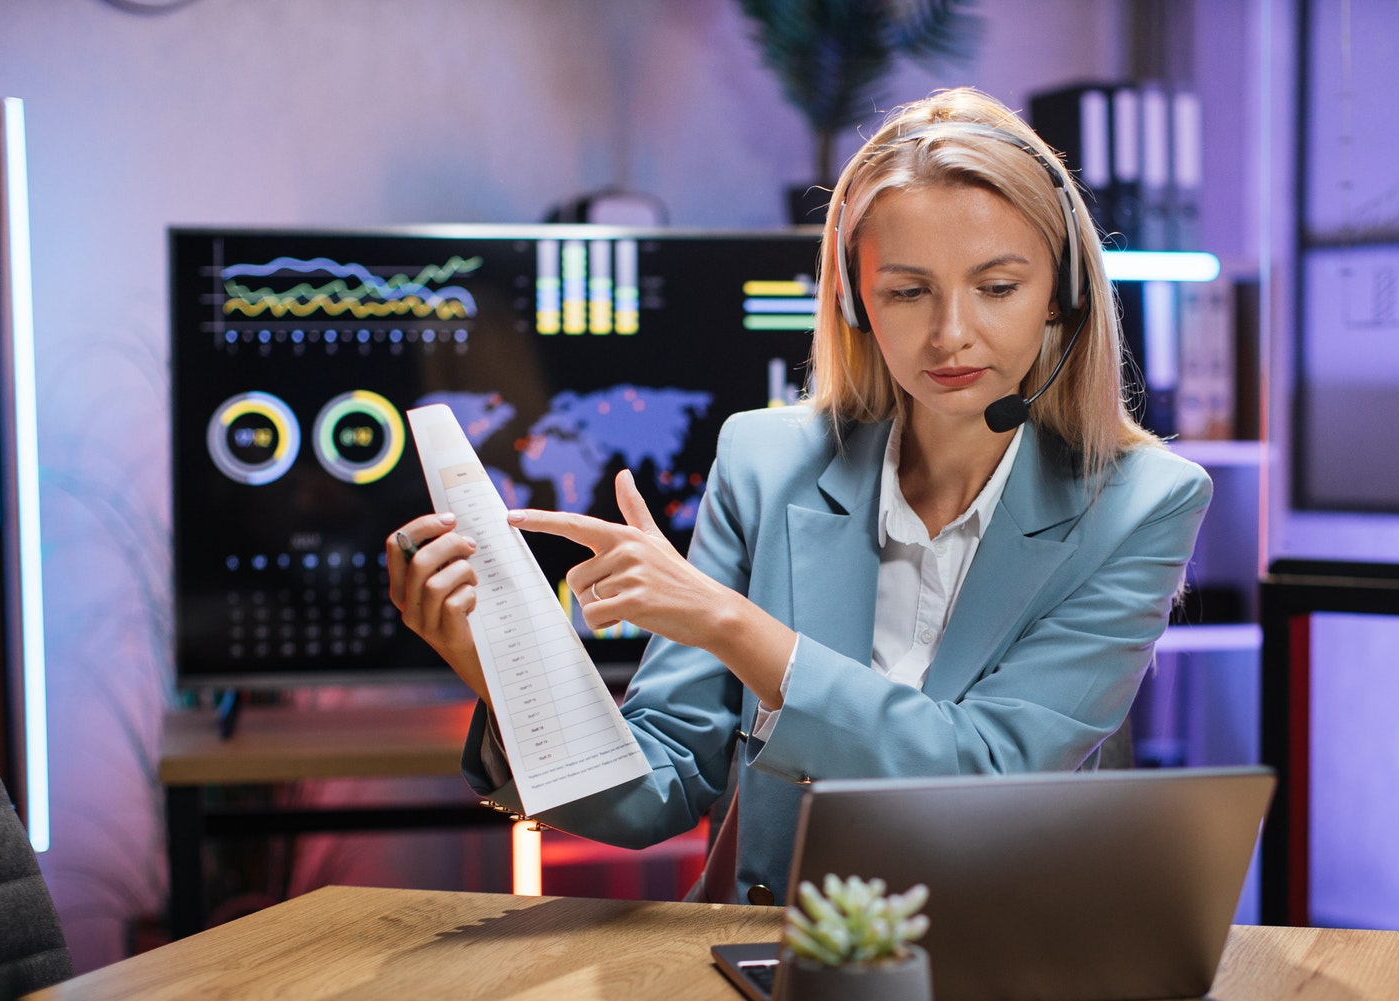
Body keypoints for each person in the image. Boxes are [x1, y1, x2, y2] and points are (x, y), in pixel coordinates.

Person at [386, 87, 1212, 905]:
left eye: (998, 287)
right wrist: (500, 669)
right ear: (857, 303)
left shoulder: (1142, 503)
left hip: (999, 958)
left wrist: (729, 623)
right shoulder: (763, 460)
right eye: (907, 291)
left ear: (1062, 295)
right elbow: (659, 786)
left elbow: (986, 771)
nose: (952, 333)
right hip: (770, 951)